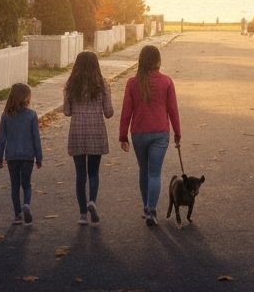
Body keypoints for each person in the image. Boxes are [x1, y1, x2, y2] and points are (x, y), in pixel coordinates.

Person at [119, 45, 182, 227]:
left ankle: (146, 207)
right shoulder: (166, 82)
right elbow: (173, 110)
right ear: (158, 61)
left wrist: (123, 135)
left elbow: (126, 112)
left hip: (138, 133)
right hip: (160, 133)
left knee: (144, 171)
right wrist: (177, 132)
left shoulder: (132, 83)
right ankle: (151, 210)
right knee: (154, 173)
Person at [63, 51, 113, 226]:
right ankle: (92, 201)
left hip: (77, 131)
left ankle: (83, 215)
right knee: (93, 172)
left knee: (80, 174)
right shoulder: (103, 85)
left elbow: (67, 111)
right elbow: (108, 113)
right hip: (96, 131)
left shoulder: (71, 85)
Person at [0, 82, 43, 225]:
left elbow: (1, 139)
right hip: (28, 156)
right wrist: (39, 157)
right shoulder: (32, 115)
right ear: (26, 97)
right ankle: (26, 204)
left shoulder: (6, 116)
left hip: (12, 156)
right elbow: (36, 137)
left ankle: (17, 214)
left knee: (15, 185)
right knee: (26, 184)